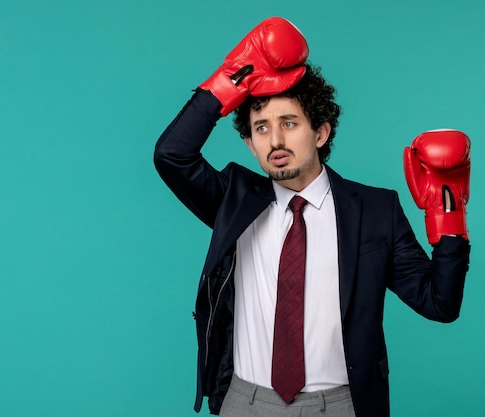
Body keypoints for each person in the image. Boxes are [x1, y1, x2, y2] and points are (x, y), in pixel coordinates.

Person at [153, 17, 471, 417]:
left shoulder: (375, 211)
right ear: (250, 144)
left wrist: (449, 215)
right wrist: (231, 79)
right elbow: (171, 155)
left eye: (289, 123)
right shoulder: (234, 201)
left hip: (339, 404)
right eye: (262, 128)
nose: (276, 141)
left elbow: (440, 303)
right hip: (246, 401)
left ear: (320, 133)